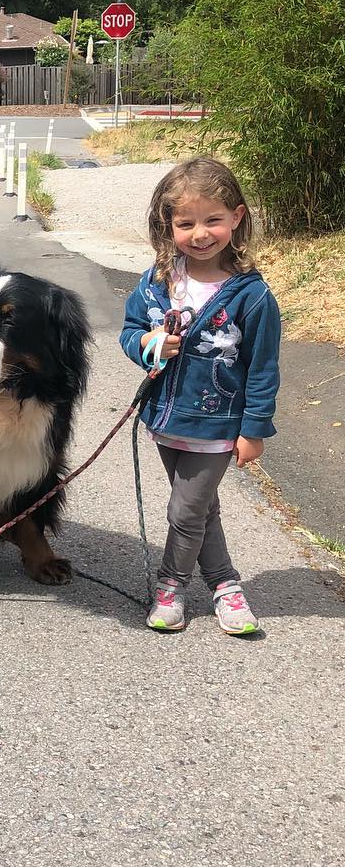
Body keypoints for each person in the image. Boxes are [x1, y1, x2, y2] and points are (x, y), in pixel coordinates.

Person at [120, 157, 281, 635]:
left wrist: (254, 430)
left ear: (237, 216)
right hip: (166, 419)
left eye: (213, 220)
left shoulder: (252, 296)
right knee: (202, 510)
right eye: (185, 223)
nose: (200, 233)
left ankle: (171, 586)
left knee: (185, 510)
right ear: (168, 226)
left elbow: (263, 368)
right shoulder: (158, 280)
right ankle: (226, 585)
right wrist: (149, 344)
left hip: (217, 425)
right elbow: (130, 330)